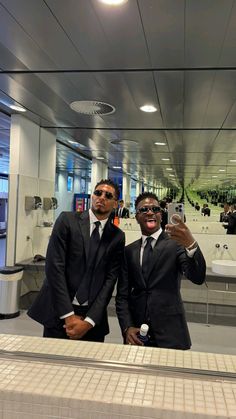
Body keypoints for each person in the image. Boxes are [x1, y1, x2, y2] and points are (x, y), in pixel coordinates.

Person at [28, 179, 125, 342]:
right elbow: (54, 268)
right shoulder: (67, 221)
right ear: (92, 196)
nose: (101, 197)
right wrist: (68, 316)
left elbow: (110, 281)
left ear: (115, 204)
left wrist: (89, 321)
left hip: (92, 318)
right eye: (98, 192)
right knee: (54, 364)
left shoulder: (117, 236)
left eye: (108, 195)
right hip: (59, 311)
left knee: (88, 366)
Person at [116, 191, 206, 350]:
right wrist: (127, 327)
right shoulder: (129, 251)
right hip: (138, 333)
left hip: (171, 332)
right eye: (144, 209)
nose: (150, 212)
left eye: (155, 209)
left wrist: (191, 245)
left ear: (161, 214)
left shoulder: (176, 244)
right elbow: (122, 296)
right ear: (136, 217)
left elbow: (197, 277)